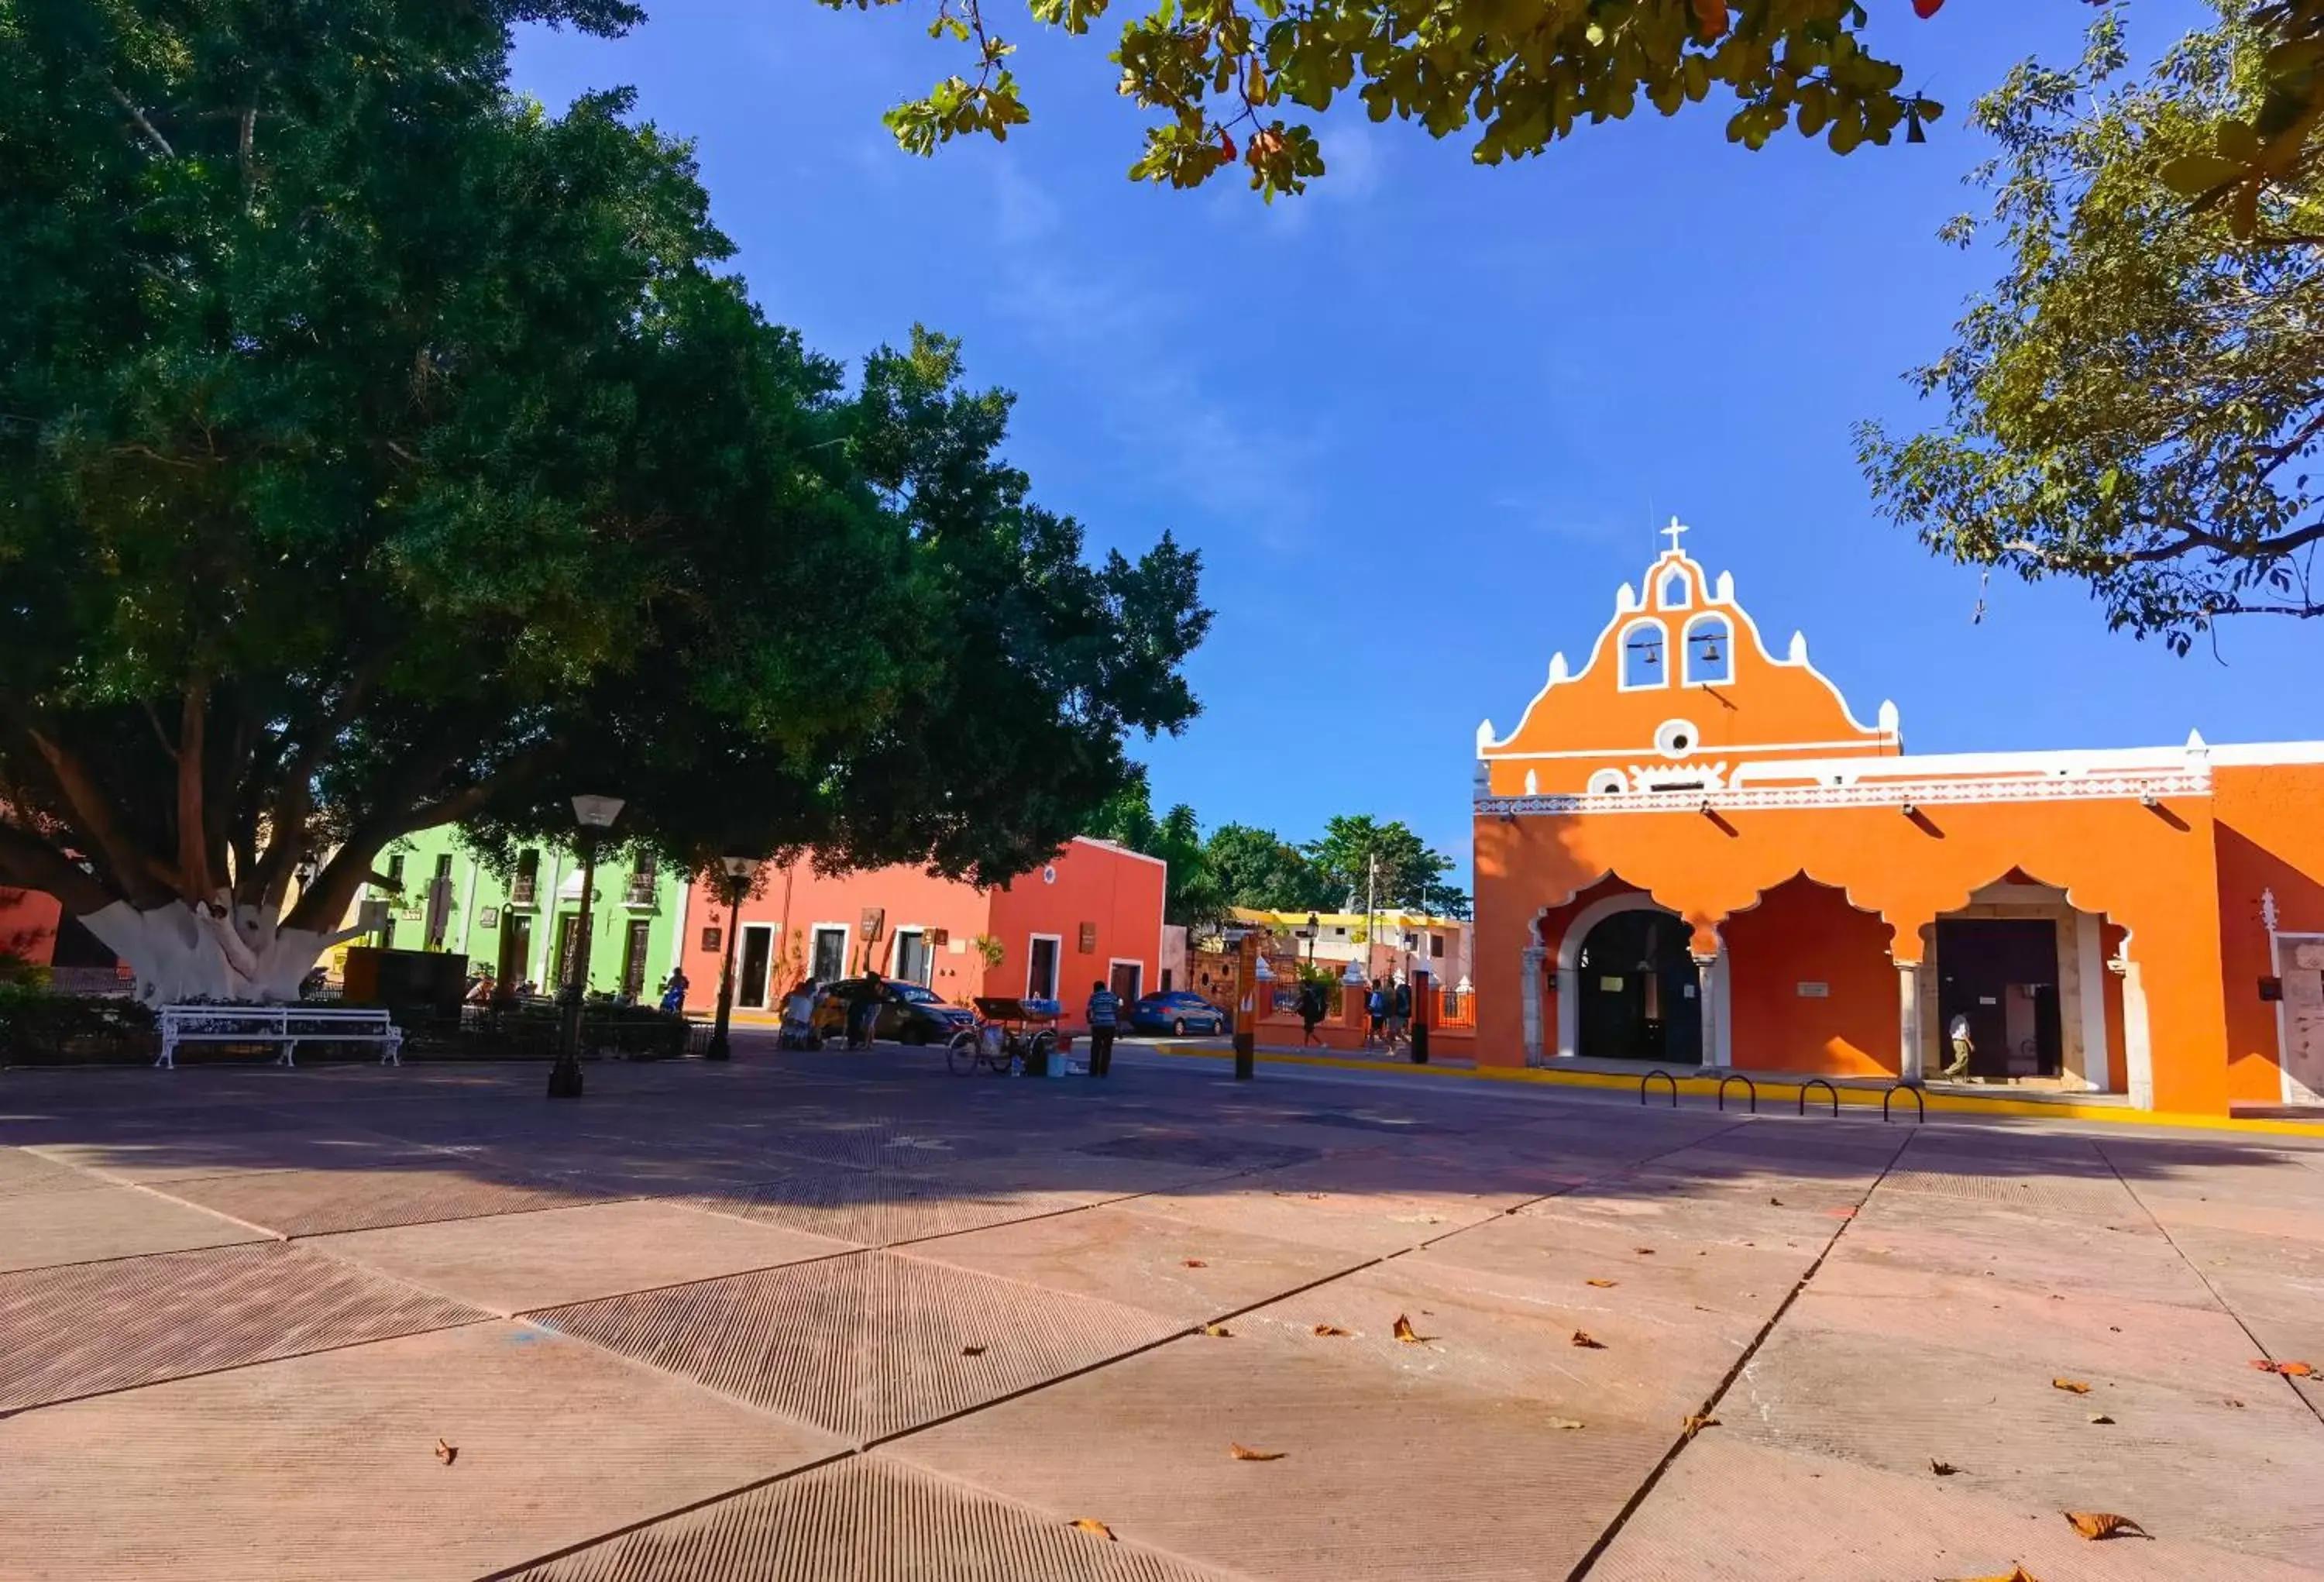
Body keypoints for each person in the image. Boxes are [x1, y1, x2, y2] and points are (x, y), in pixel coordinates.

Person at [1084, 978, 1120, 1078]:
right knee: (1107, 1049)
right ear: (1104, 988)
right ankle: (1104, 1071)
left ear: (1095, 989)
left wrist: (1089, 1020)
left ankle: (1094, 1070)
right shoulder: (1112, 996)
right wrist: (1118, 1025)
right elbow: (1117, 1010)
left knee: (1096, 1047)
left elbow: (1088, 1011)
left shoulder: (1094, 996)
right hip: (1110, 1025)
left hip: (1098, 1025)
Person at [847, 970, 885, 1050]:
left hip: (874, 1004)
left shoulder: (875, 985)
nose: (866, 978)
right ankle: (869, 1043)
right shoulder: (874, 985)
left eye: (868, 976)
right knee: (871, 1024)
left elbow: (876, 995)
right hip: (874, 1004)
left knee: (868, 1024)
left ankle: (867, 1043)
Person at [1942, 1011, 1975, 1079]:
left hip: (1955, 1042)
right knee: (1963, 1059)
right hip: (1961, 1042)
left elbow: (1951, 1032)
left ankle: (1965, 1078)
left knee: (1963, 1060)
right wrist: (1970, 1044)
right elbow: (1963, 1034)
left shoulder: (1954, 1020)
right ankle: (1948, 1072)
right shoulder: (1962, 1020)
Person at [1298, 979, 1325, 1047]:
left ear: (1305, 985)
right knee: (1308, 1029)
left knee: (1309, 1030)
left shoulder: (1307, 993)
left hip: (1309, 1014)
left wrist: (1298, 1009)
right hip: (1312, 1013)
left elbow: (1304, 1003)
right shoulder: (1313, 993)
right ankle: (1305, 1044)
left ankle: (1321, 1043)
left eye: (1303, 984)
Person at [1387, 977, 1412, 1051]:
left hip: (1397, 1014)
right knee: (1397, 1032)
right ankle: (1410, 1045)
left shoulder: (1395, 992)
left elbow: (1393, 1004)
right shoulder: (1401, 992)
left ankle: (1393, 1048)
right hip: (1402, 1014)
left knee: (1392, 1032)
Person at [1364, 978, 1387, 1049]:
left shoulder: (1375, 994)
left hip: (1376, 1014)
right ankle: (1389, 1043)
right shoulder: (1382, 994)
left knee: (1372, 1030)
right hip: (1382, 1015)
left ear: (1374, 985)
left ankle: (1371, 1044)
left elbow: (1373, 1005)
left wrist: (1368, 1010)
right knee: (1380, 1032)